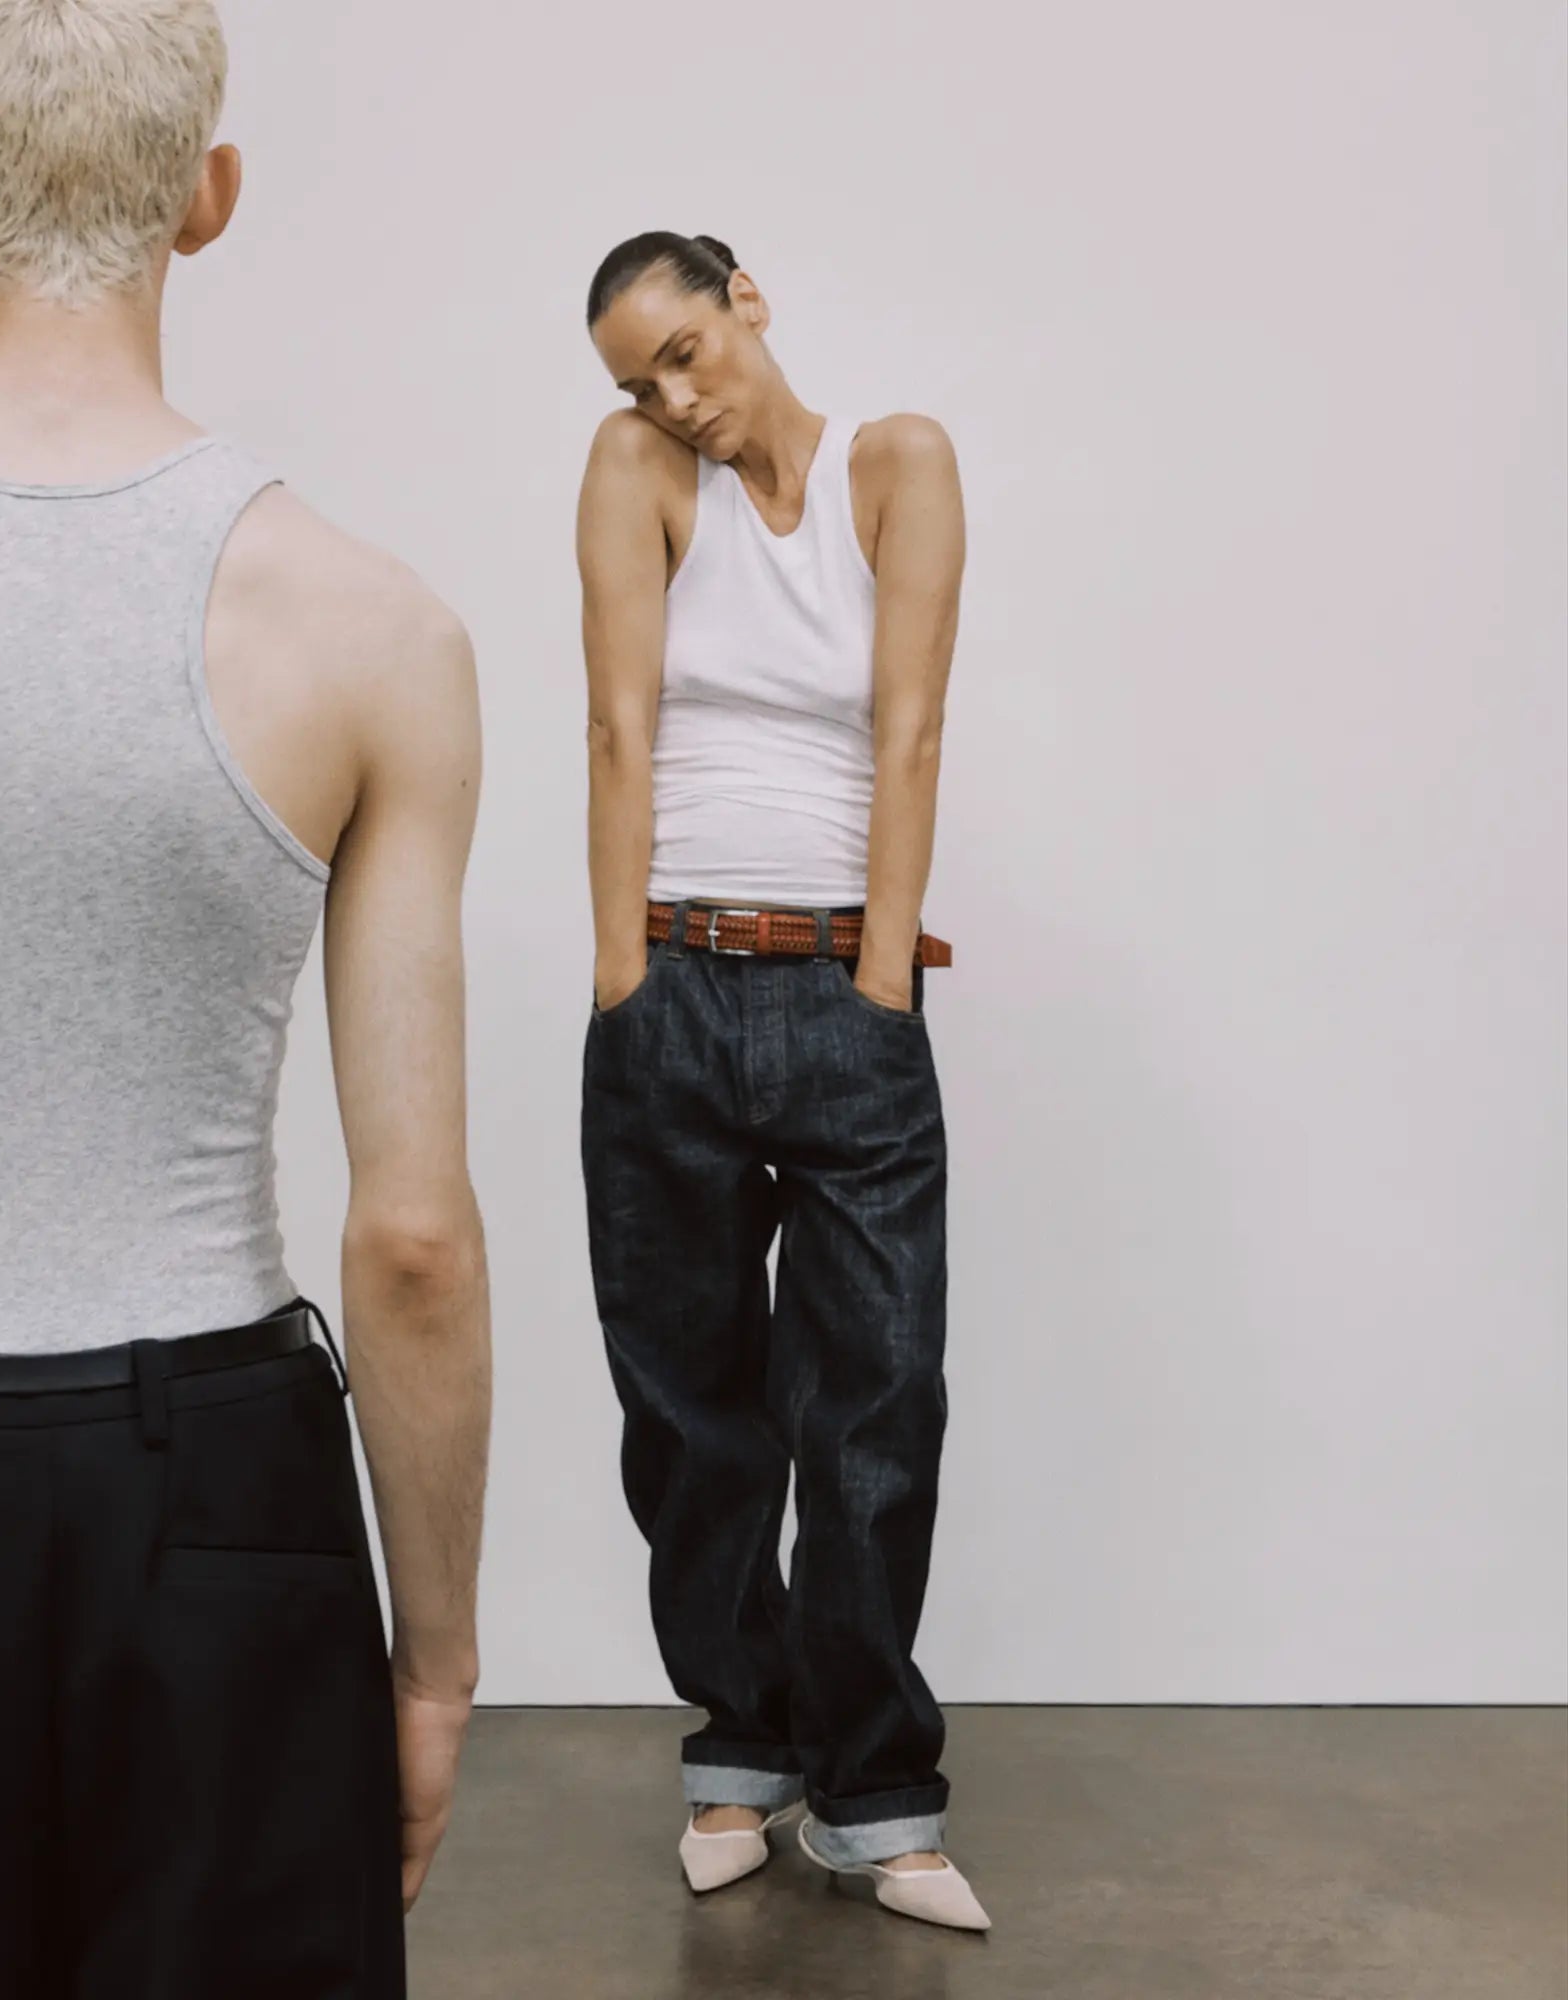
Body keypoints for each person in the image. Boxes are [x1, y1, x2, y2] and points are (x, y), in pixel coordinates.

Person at [0, 4, 490, 1993]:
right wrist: (433, 1663)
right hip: (208, 1493)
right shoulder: (370, 625)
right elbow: (416, 1239)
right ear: (208, 198)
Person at [577, 231, 988, 1932]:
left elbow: (908, 728)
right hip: (668, 980)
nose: (675, 395)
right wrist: (621, 986)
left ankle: (876, 1790)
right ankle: (740, 1748)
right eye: (639, 378)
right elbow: (615, 724)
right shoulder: (636, 472)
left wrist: (882, 973)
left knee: (876, 1401)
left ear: (748, 299)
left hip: (841, 993)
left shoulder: (899, 463)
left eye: (687, 348)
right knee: (691, 1409)